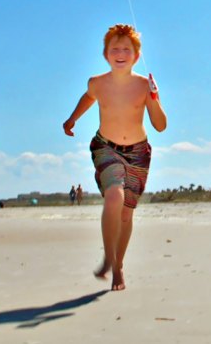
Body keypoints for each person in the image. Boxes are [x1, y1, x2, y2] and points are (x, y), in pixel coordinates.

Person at [63, 24, 167, 291]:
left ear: (136, 55)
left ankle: (118, 264)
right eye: (114, 49)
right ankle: (108, 257)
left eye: (126, 49)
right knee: (113, 196)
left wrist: (154, 98)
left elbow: (160, 125)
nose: (120, 53)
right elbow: (88, 98)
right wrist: (72, 118)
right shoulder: (97, 83)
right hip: (105, 147)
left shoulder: (144, 85)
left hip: (138, 153)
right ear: (105, 54)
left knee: (125, 215)